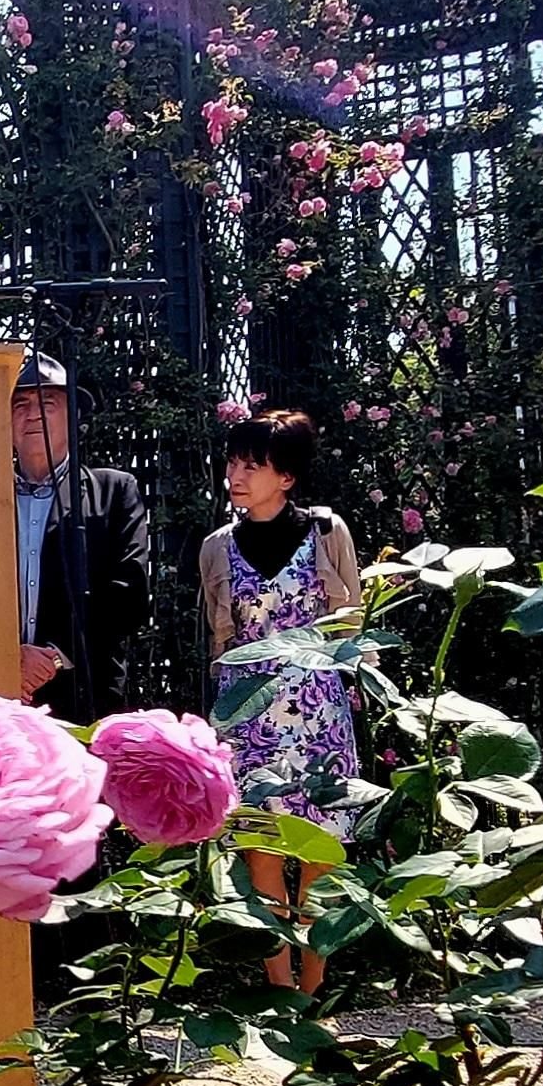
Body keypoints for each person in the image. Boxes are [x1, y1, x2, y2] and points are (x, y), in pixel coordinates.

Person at [200, 409, 362, 996]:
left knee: (321, 850)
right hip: (248, 708)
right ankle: (279, 988)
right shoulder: (217, 547)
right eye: (234, 462)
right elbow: (221, 637)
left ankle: (315, 984)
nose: (236, 475)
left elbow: (351, 619)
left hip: (317, 700)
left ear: (286, 476)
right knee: (260, 846)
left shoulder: (326, 532)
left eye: (252, 464)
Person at [12, 351, 152, 725]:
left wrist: (54, 656)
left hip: (84, 693)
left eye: (47, 402)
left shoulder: (113, 491)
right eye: (20, 404)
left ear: (73, 415)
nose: (32, 414)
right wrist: (5, 659)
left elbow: (129, 592)